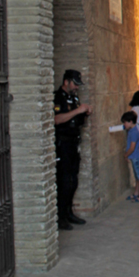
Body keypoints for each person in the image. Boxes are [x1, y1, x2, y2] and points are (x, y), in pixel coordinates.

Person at [53, 69, 92, 231]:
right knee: (64, 181)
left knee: (73, 180)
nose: (76, 87)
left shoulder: (73, 97)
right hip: (62, 145)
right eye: (75, 84)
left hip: (73, 143)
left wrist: (86, 113)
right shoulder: (57, 97)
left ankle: (69, 212)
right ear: (66, 81)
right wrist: (78, 110)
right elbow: (56, 119)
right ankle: (60, 216)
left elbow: (77, 119)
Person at [122, 111, 139, 202]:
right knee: (137, 177)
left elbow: (132, 147)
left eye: (125, 122)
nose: (124, 124)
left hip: (136, 157)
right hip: (135, 156)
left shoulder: (134, 132)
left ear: (130, 122)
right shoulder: (132, 131)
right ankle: (136, 193)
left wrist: (126, 155)